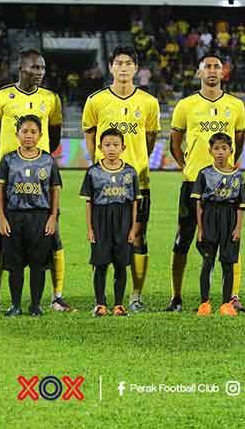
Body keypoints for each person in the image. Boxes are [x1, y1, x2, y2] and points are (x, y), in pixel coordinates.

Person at [0, 50, 65, 314]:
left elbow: (55, 136)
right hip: (9, 183)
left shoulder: (51, 99)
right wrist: (7, 166)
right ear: (21, 67)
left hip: (40, 182)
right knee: (2, 239)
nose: (40, 72)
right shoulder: (1, 97)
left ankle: (56, 296)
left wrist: (39, 161)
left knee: (52, 238)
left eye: (42, 68)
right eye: (34, 67)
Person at [166, 54, 245, 313]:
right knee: (183, 240)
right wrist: (188, 167)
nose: (212, 71)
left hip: (225, 186)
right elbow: (175, 142)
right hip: (193, 184)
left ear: (223, 73)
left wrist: (226, 168)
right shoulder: (185, 105)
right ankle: (176, 296)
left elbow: (239, 140)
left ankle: (231, 296)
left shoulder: (236, 106)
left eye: (217, 67)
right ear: (199, 73)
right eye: (207, 67)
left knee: (230, 240)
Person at [83, 47, 160, 312]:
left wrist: (137, 163)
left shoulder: (149, 103)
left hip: (137, 181)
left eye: (129, 63)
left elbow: (150, 139)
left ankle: (135, 296)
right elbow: (91, 136)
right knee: (101, 238)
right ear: (111, 67)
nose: (124, 68)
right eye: (119, 63)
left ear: (136, 68)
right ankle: (101, 299)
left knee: (138, 237)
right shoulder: (96, 101)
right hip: (104, 183)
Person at [0, 115, 62, 317]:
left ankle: (35, 305)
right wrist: (2, 218)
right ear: (17, 134)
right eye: (24, 131)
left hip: (40, 217)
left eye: (33, 132)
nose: (29, 136)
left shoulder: (47, 160)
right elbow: (0, 190)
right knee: (14, 266)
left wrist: (52, 217)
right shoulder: (8, 160)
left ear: (40, 135)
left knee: (38, 264)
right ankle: (15, 305)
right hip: (14, 217)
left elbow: (55, 190)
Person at [82, 129, 139, 317]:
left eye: (115, 145)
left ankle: (118, 304)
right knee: (100, 264)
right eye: (107, 145)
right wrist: (90, 228)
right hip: (100, 220)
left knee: (121, 264)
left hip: (123, 221)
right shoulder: (93, 172)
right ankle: (100, 304)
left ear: (123, 147)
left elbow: (134, 202)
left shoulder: (130, 172)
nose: (111, 149)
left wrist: (133, 229)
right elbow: (89, 202)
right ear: (100, 147)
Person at [193, 133, 245, 316]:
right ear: (210, 151)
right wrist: (200, 229)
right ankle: (204, 303)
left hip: (229, 218)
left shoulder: (238, 176)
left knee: (228, 263)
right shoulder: (204, 173)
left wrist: (238, 228)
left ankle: (226, 303)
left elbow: (241, 205)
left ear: (231, 151)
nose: (220, 152)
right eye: (216, 148)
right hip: (210, 218)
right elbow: (199, 204)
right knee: (208, 261)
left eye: (224, 148)